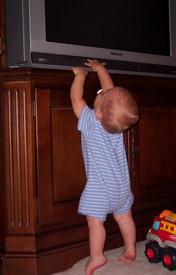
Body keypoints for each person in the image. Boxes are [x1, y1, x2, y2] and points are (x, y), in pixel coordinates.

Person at [70, 59, 139, 275]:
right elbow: (110, 91)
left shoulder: (90, 120)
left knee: (95, 222)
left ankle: (97, 255)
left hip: (100, 189)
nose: (101, 91)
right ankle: (129, 249)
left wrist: (80, 76)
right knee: (125, 217)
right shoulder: (116, 127)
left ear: (98, 113)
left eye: (101, 95)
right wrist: (100, 69)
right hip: (121, 186)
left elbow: (76, 97)